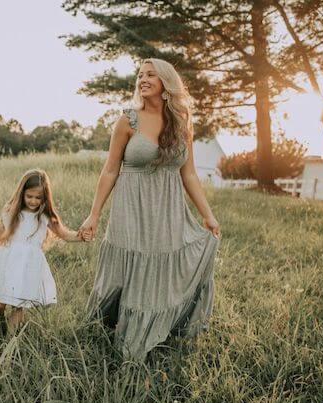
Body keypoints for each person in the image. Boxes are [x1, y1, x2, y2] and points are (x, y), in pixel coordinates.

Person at [79, 58, 221, 361]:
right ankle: (111, 331)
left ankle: (155, 330)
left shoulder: (182, 123)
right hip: (131, 208)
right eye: (140, 75)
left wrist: (208, 215)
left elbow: (189, 174)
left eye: (150, 75)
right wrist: (94, 215)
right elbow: (109, 171)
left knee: (160, 268)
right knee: (129, 271)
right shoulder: (127, 121)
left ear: (166, 82)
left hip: (168, 210)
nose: (142, 79)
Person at [0, 169, 86, 333]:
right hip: (8, 260)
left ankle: (10, 343)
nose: (33, 201)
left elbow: (64, 234)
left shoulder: (44, 216)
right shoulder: (11, 211)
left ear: (45, 198)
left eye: (38, 198)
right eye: (30, 196)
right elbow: (0, 235)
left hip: (29, 264)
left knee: (19, 303)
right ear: (22, 193)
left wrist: (81, 236)